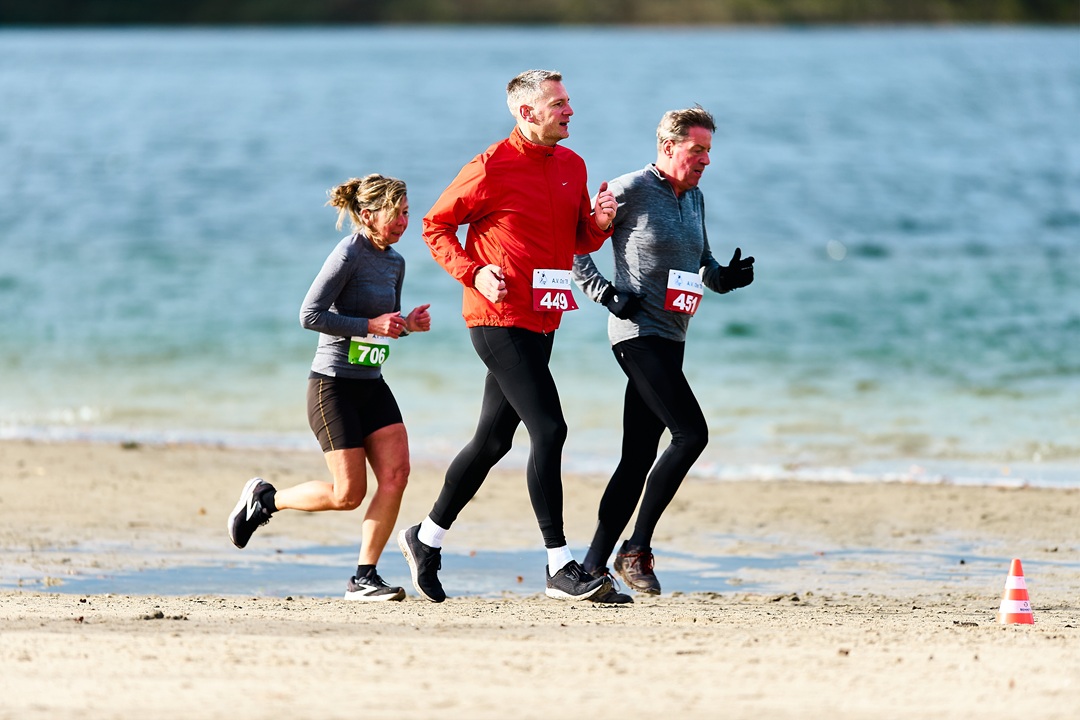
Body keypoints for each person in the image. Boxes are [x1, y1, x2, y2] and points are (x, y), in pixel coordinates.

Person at [396, 69, 617, 603]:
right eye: (559, 103)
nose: (569, 110)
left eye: (568, 101)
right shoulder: (490, 166)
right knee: (551, 428)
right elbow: (435, 225)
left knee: (493, 441)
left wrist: (601, 222)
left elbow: (576, 236)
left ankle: (425, 537)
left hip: (544, 316)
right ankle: (559, 566)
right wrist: (473, 272)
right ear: (526, 112)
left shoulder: (572, 164)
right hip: (496, 320)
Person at [572, 106, 755, 601]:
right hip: (635, 334)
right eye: (697, 150)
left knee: (636, 458)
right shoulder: (628, 189)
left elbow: (705, 266)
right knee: (691, 434)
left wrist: (726, 278)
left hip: (673, 337)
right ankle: (636, 550)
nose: (705, 161)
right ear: (668, 146)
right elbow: (575, 243)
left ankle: (591, 567)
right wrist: (606, 293)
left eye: (709, 152)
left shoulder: (695, 198)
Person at [228, 174, 431, 602]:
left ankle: (364, 577)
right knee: (348, 494)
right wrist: (370, 324)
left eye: (407, 212)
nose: (402, 221)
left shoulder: (395, 262)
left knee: (396, 475)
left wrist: (405, 325)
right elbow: (310, 314)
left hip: (372, 383)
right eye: (395, 213)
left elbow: (383, 327)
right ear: (367, 214)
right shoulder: (348, 254)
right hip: (332, 387)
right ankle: (266, 500)